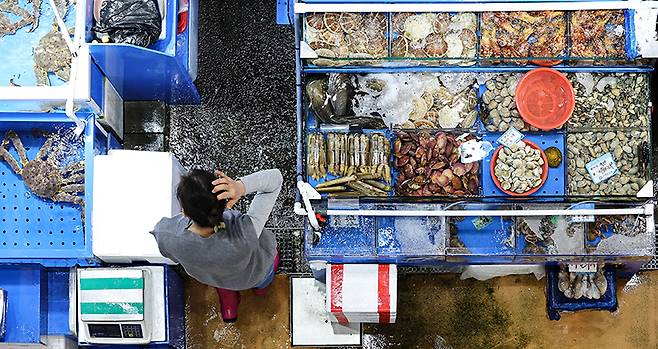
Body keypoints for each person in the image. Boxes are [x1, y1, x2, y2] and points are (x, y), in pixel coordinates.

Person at [151, 168, 283, 322]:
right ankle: (260, 289)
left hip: (211, 277)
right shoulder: (245, 232)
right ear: (226, 202)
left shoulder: (166, 234)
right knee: (265, 273)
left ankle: (228, 300)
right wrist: (240, 186)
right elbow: (275, 179)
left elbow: (170, 254)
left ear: (185, 212)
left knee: (221, 277)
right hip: (251, 275)